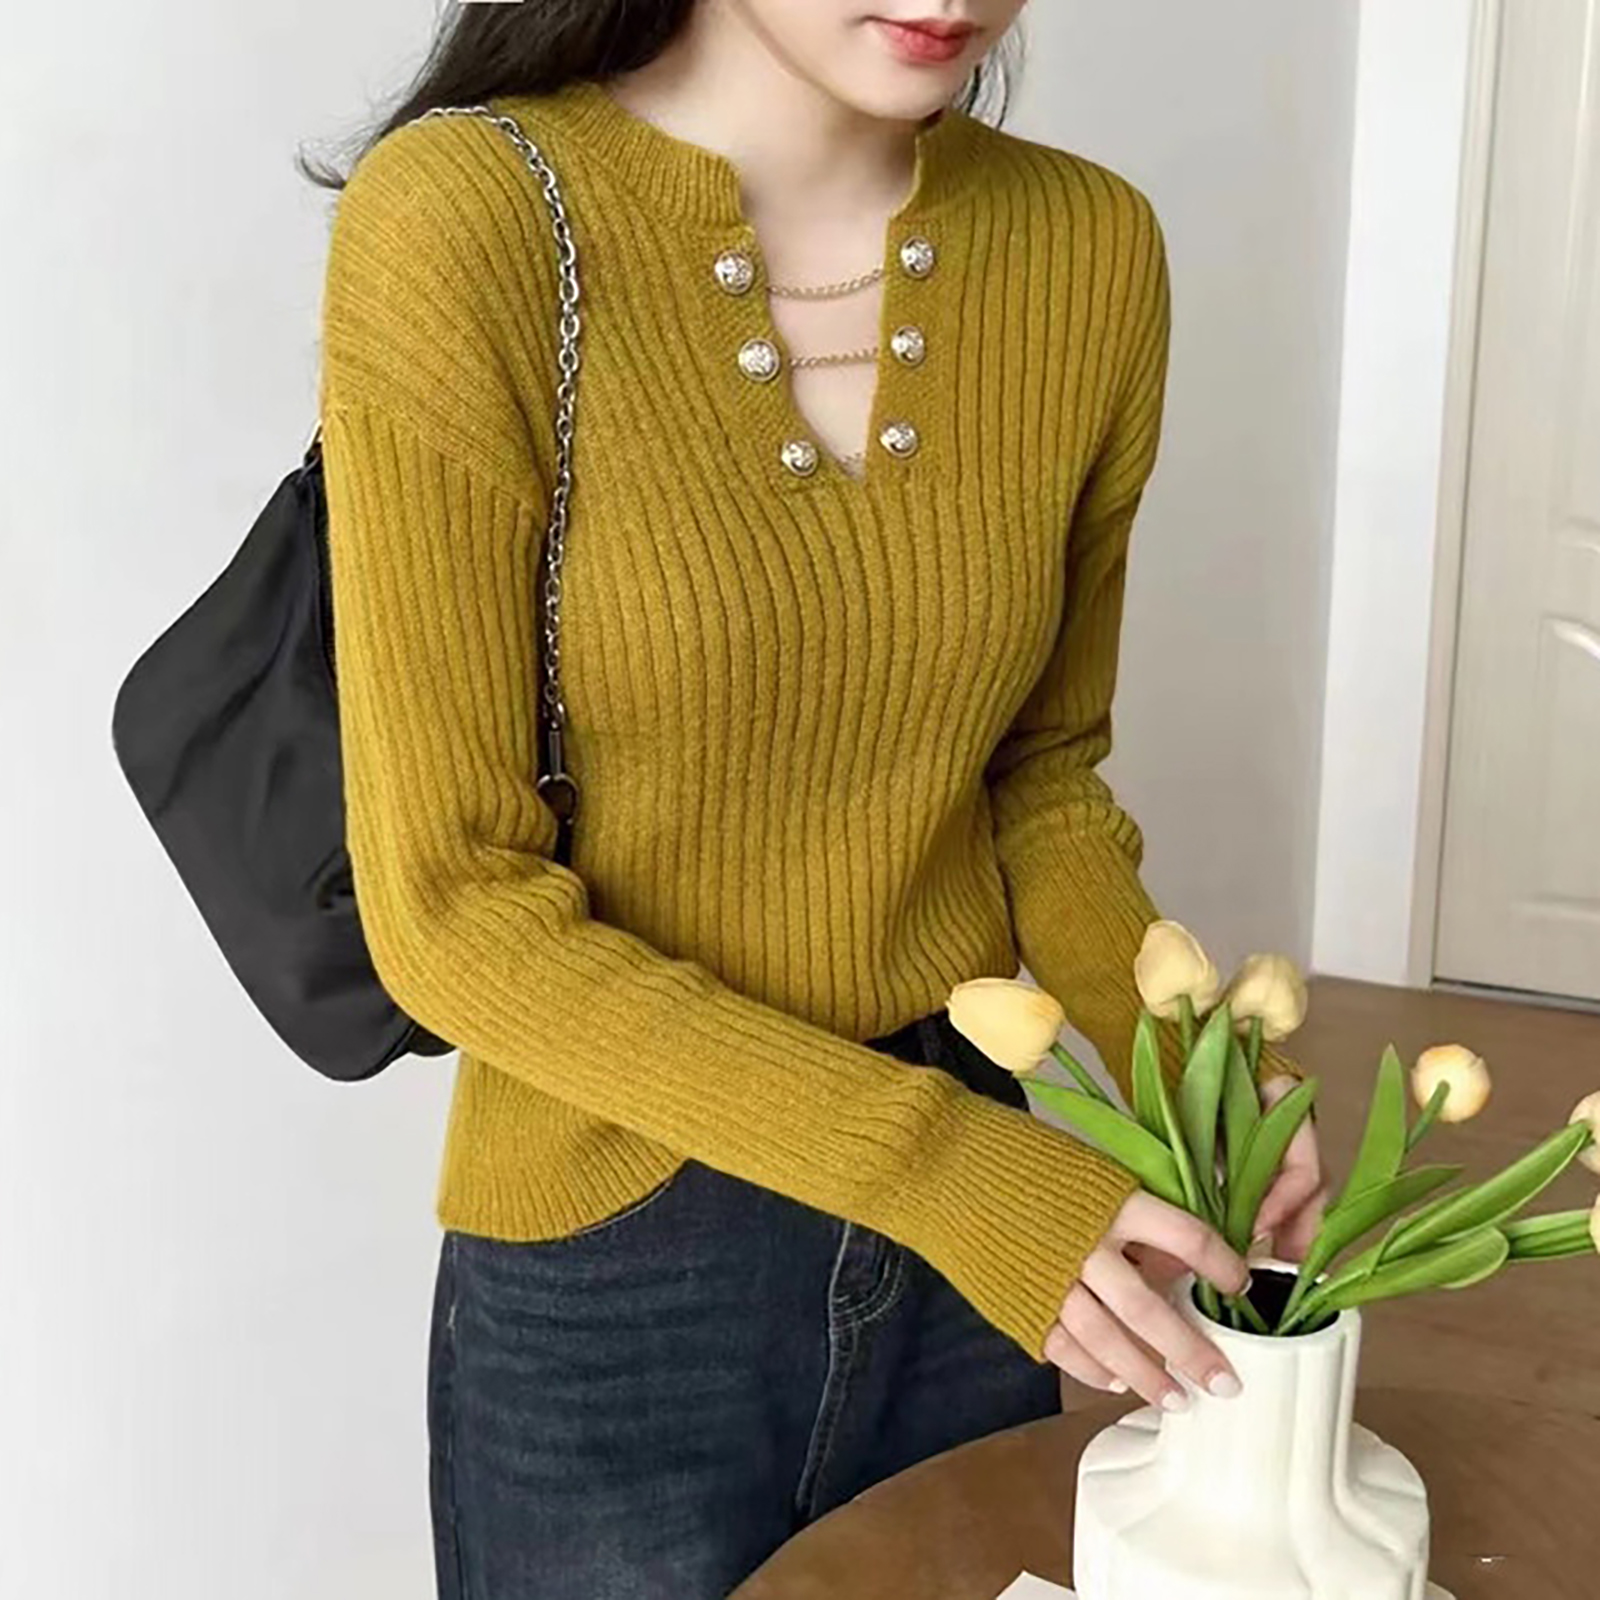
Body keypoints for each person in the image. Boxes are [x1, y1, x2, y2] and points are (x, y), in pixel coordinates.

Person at [306, 2, 1328, 1593]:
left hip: (980, 1232)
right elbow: (450, 907)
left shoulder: (1088, 247)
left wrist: (1194, 1084)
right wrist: (951, 1176)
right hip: (623, 1249)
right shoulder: (470, 219)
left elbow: (1039, 779)